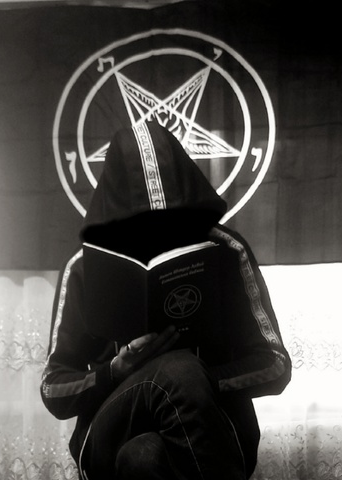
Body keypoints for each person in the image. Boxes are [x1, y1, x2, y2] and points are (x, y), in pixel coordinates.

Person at [41, 121, 292, 480]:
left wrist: (197, 383)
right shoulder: (84, 267)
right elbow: (53, 389)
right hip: (111, 430)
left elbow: (275, 365)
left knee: (144, 456)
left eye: (170, 218)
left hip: (216, 431)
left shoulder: (225, 251)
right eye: (138, 220)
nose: (154, 231)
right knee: (178, 371)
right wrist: (114, 372)